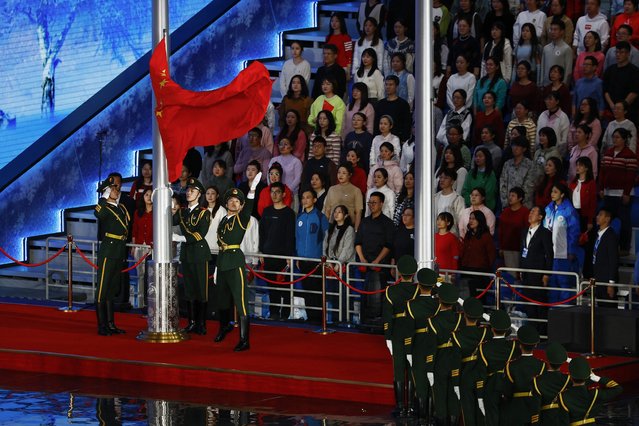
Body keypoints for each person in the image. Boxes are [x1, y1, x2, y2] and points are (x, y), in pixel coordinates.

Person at [214, 177, 262, 351]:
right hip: (223, 261)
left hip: (235, 262)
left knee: (241, 302)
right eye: (231, 200)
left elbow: (249, 206)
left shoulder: (241, 219)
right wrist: (218, 268)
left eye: (237, 201)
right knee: (222, 300)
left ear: (241, 206)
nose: (234, 203)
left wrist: (252, 190)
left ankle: (244, 340)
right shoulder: (223, 221)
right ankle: (224, 327)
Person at [172, 178, 211, 335]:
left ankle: (201, 323)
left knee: (201, 290)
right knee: (189, 290)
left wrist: (181, 238)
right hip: (187, 254)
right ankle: (192, 322)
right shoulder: (182, 211)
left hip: (199, 254)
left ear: (199, 194)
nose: (189, 193)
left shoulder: (203, 213)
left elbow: (200, 233)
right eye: (188, 190)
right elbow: (169, 218)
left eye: (192, 191)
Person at [382, 255, 419, 418]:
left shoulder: (392, 291)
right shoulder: (418, 290)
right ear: (414, 272)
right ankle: (410, 406)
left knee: (398, 369)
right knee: (411, 369)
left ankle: (400, 407)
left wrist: (388, 336)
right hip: (413, 332)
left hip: (397, 332)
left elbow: (387, 317)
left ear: (399, 272)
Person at [94, 176, 131, 336]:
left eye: (117, 188)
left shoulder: (120, 208)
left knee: (111, 289)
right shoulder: (105, 208)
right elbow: (99, 214)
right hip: (108, 250)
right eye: (113, 189)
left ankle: (111, 324)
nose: (117, 191)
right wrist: (103, 196)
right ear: (107, 191)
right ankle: (102, 325)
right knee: (103, 289)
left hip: (118, 250)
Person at [405, 268, 441, 424]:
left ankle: (421, 417)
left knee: (420, 381)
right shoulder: (438, 305)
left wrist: (407, 351)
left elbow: (407, 331)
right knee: (433, 381)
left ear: (419, 285)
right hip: (435, 345)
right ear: (433, 286)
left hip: (418, 345)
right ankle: (432, 417)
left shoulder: (411, 305)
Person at [354, 191, 395, 325]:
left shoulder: (387, 223)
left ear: (381, 204)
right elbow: (358, 242)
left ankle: (377, 323)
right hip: (364, 265)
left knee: (377, 295)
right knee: (364, 294)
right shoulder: (365, 222)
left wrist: (377, 261)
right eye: (370, 203)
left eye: (374, 202)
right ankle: (364, 321)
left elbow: (388, 245)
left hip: (380, 265)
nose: (371, 205)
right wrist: (362, 259)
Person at [426, 283, 463, 425]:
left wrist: (429, 368)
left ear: (439, 300)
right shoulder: (460, 319)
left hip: (440, 362)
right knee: (454, 396)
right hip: (456, 361)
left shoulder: (433, 321)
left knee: (440, 396)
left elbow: (431, 348)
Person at [259, 182, 296, 322]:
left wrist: (288, 255)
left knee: (284, 286)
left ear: (284, 194)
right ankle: (274, 312)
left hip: (283, 256)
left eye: (277, 192)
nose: (274, 194)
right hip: (268, 254)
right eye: (272, 191)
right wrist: (261, 251)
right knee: (271, 286)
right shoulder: (267, 211)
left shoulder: (289, 213)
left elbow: (290, 236)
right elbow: (262, 233)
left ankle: (285, 314)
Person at [477, 310, 520, 426]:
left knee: (492, 419)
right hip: (509, 386)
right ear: (507, 330)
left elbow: (481, 374)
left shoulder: (484, 347)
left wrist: (479, 394)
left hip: (490, 387)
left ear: (491, 329)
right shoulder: (514, 347)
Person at [599, 127, 638, 255]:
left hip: (622, 194)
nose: (614, 139)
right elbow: (602, 173)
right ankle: (605, 244)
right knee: (606, 220)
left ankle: (625, 248)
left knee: (624, 220)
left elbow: (631, 176)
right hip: (609, 193)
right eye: (613, 137)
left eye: (617, 137)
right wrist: (601, 188)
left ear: (624, 139)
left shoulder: (630, 155)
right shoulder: (608, 153)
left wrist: (626, 193)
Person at [450, 297, 489, 426]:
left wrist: (455, 382)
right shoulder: (485, 333)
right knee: (482, 410)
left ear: (464, 314)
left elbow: (455, 362)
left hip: (465, 376)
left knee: (468, 411)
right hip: (483, 375)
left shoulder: (457, 336)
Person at [296, 189, 329, 322]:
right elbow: (297, 238)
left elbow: (326, 239)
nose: (305, 200)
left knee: (317, 291)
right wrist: (297, 256)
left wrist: (324, 258)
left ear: (315, 200)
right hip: (302, 260)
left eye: (308, 197)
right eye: (303, 197)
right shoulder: (299, 217)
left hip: (316, 261)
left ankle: (319, 319)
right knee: (307, 291)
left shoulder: (321, 217)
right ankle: (310, 317)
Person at [544, 183, 581, 303]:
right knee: (552, 282)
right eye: (552, 192)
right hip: (550, 253)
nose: (552, 194)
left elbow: (574, 233)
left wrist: (571, 250)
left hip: (563, 254)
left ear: (562, 194)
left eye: (555, 192)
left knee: (563, 282)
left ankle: (565, 311)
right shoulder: (548, 209)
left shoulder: (569, 211)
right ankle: (553, 310)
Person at [502, 326, 545, 426]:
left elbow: (507, 392)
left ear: (519, 345)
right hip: (536, 409)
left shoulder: (511, 366)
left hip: (517, 410)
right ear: (535, 345)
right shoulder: (542, 365)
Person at [559, 357, 623, 424]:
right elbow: (618, 389)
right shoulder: (595, 394)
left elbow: (563, 421)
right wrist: (596, 378)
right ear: (587, 376)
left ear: (571, 377)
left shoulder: (563, 396)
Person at [520, 204, 554, 325]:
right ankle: (532, 331)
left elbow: (549, 254)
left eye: (534, 212)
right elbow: (522, 251)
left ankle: (542, 334)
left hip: (538, 273)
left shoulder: (545, 233)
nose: (530, 214)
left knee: (540, 303)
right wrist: (521, 269)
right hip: (526, 273)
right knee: (529, 304)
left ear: (540, 217)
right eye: (530, 212)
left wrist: (546, 274)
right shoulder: (524, 231)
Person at [531, 342, 571, 426]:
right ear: (563, 362)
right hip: (564, 419)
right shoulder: (568, 379)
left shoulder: (537, 381)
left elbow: (535, 407)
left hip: (546, 419)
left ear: (547, 359)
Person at [459, 210, 496, 301]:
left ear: (480, 220)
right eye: (470, 218)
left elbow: (491, 255)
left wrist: (486, 269)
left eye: (474, 219)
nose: (471, 221)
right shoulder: (468, 235)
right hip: (466, 270)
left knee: (478, 299)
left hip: (480, 273)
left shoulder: (486, 236)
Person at [589, 208, 620, 304]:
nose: (597, 217)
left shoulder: (611, 236)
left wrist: (611, 284)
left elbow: (613, 260)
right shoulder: (598, 234)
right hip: (598, 278)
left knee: (608, 309)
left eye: (601, 215)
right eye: (598, 214)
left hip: (606, 281)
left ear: (607, 219)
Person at [603, 41, 639, 122]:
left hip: (628, 112)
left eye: (621, 52)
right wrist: (612, 105)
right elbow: (605, 90)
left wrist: (621, 107)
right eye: (617, 52)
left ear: (628, 54)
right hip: (610, 110)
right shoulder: (610, 70)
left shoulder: (634, 71)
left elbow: (634, 92)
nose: (618, 54)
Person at [323, 163, 364, 229]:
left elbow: (358, 213)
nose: (340, 175)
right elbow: (327, 210)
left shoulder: (356, 190)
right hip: (333, 225)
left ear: (350, 175)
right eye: (339, 172)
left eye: (344, 173)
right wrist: (325, 228)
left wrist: (356, 230)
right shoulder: (332, 189)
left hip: (349, 226)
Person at [500, 136, 537, 208]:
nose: (515, 148)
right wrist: (506, 201)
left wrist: (518, 202)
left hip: (524, 206)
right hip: (508, 205)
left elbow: (529, 187)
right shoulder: (507, 164)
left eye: (518, 146)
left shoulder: (530, 165)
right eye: (513, 145)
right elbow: (503, 184)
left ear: (524, 149)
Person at [374, 75, 412, 143]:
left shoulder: (403, 104)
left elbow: (406, 124)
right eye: (386, 84)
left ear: (397, 87)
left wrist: (403, 139)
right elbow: (376, 123)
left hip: (397, 140)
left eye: (391, 85)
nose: (388, 87)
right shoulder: (380, 104)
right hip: (381, 139)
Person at [202, 185, 226, 292]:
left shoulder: (222, 211)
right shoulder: (201, 209)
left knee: (213, 282)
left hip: (216, 251)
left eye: (213, 193)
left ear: (217, 196)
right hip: (202, 250)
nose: (210, 196)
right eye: (208, 193)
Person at [499, 187, 530, 268]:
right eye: (509, 195)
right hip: (507, 248)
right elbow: (501, 230)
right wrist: (501, 247)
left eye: (513, 196)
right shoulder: (505, 212)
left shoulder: (525, 212)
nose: (510, 198)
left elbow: (528, 231)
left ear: (520, 198)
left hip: (520, 248)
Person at [536, 91, 570, 156]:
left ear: (557, 101)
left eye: (550, 99)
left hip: (556, 153)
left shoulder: (563, 117)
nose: (547, 101)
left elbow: (564, 140)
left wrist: (558, 155)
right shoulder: (542, 115)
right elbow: (538, 135)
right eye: (546, 99)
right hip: (541, 152)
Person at [570, 156, 598, 233]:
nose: (578, 167)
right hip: (573, 214)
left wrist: (590, 221)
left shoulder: (591, 183)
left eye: (581, 165)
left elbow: (592, 203)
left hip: (584, 216)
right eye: (577, 165)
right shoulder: (573, 183)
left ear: (587, 168)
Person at [434, 169, 466, 235]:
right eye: (441, 177)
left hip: (452, 234)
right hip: (436, 234)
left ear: (452, 181)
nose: (442, 180)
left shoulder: (458, 199)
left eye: (446, 178)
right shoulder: (435, 197)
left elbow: (461, 220)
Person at [325, 13, 353, 79]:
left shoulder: (346, 38)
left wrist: (348, 71)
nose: (334, 23)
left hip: (342, 67)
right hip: (329, 67)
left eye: (336, 21)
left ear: (341, 22)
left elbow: (349, 54)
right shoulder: (328, 37)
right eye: (332, 21)